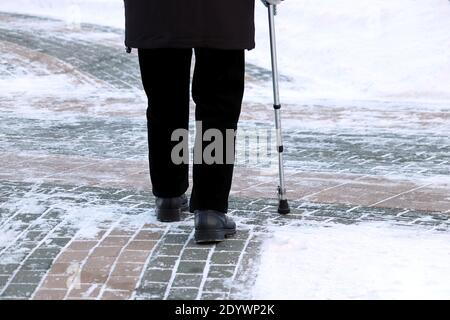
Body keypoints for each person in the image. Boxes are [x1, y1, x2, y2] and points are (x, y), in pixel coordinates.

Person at [124, 0, 284, 243]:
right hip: (221, 12)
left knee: (164, 100)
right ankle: (210, 208)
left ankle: (169, 193)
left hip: (155, 11)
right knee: (218, 107)